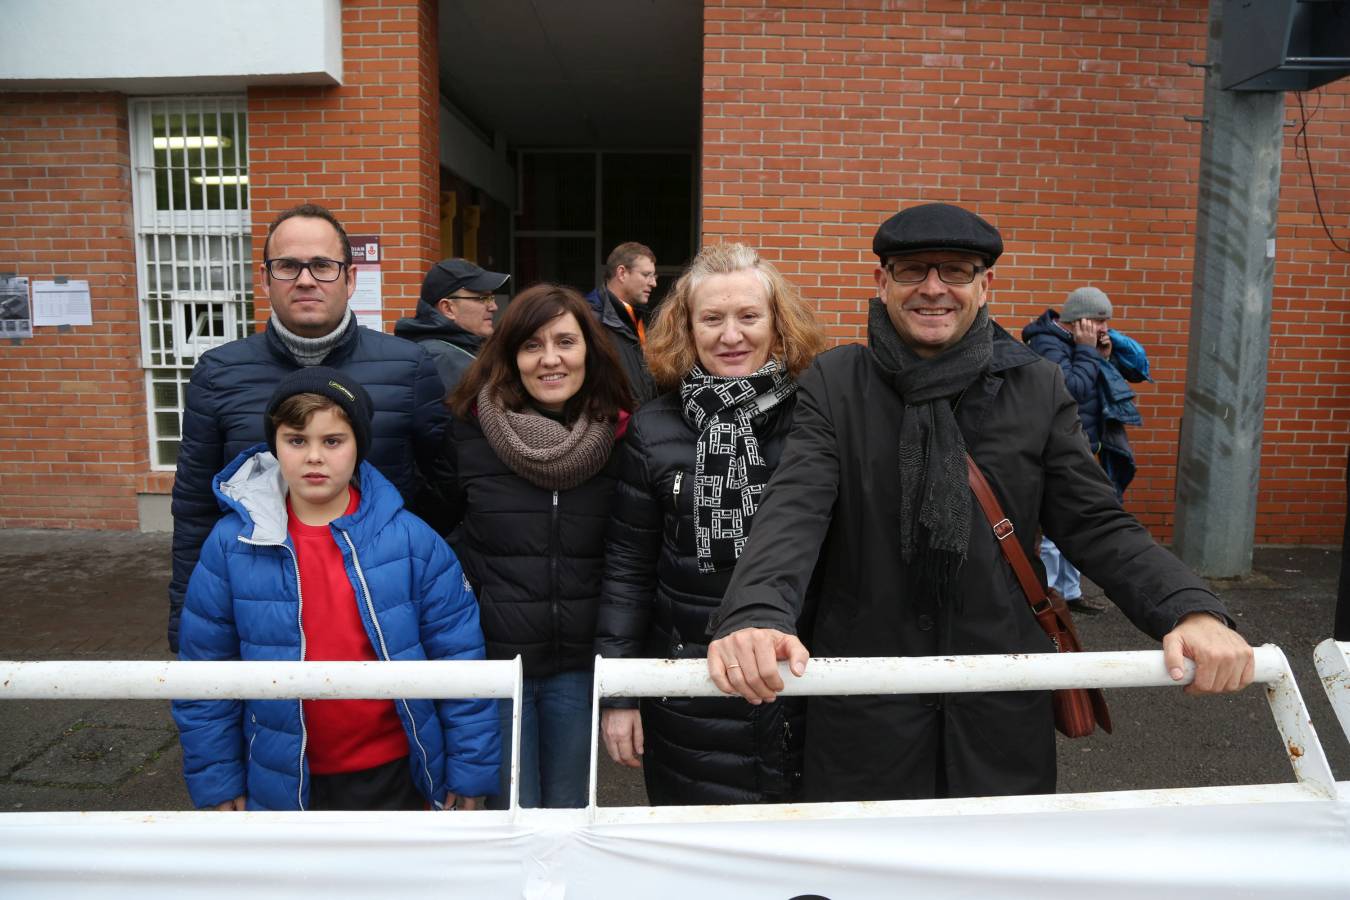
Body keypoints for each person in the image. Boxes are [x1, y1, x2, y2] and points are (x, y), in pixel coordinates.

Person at [705, 202, 1255, 803]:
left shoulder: (1036, 386)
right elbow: (794, 508)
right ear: (882, 282)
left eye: (956, 271)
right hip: (867, 713)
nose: (933, 288)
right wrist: (756, 612)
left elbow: (1097, 523)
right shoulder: (837, 383)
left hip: (999, 712)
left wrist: (1189, 610)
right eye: (912, 270)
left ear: (984, 285)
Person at [172, 367, 499, 811]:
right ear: (274, 445)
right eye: (296, 440)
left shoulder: (413, 542)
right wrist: (218, 780)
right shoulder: (231, 546)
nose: (314, 457)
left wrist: (469, 769)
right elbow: (204, 674)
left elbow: (460, 662)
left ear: (358, 445)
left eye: (332, 441)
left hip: (397, 772)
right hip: (281, 776)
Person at [595, 243, 826, 805]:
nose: (731, 335)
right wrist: (620, 693)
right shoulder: (653, 429)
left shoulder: (818, 420)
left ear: (778, 324)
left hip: (803, 683)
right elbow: (628, 570)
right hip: (689, 690)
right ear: (687, 328)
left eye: (749, 316)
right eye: (712, 319)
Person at [168, 203, 448, 652]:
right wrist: (186, 620)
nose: (305, 279)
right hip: (262, 616)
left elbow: (443, 494)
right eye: (287, 266)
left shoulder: (409, 368)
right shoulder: (219, 374)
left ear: (350, 279)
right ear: (265, 279)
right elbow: (195, 510)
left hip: (385, 612)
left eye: (322, 265)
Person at [441, 284, 632, 809]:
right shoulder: (468, 434)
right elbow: (439, 539)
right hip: (497, 663)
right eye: (532, 345)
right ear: (510, 356)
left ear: (589, 351)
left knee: (569, 812)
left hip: (579, 664)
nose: (550, 359)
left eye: (565, 342)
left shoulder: (622, 439)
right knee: (512, 812)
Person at [1022, 287, 1149, 613]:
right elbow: (1072, 389)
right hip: (1056, 448)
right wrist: (1088, 351)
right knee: (1054, 528)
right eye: (1100, 320)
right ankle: (1049, 597)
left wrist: (1099, 357)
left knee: (1077, 520)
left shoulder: (1079, 343)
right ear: (1080, 320)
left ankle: (1071, 592)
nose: (1106, 328)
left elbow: (1096, 382)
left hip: (1083, 444)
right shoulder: (1046, 343)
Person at [394, 258, 508, 396]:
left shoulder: (462, 346)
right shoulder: (439, 359)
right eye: (483, 298)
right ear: (448, 308)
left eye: (491, 298)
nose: (493, 307)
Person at [586, 241, 660, 406]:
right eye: (646, 275)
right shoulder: (590, 320)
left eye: (654, 276)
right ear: (622, 273)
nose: (653, 283)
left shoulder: (640, 316)